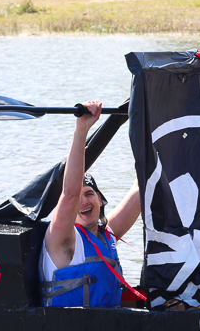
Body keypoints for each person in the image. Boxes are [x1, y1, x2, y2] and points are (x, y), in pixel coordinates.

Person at [39, 100, 142, 308]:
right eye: (79, 196)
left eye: (89, 194)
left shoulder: (107, 234)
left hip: (107, 330)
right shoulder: (62, 240)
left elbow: (141, 187)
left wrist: (153, 122)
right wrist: (82, 130)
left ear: (100, 199)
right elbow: (69, 193)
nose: (83, 201)